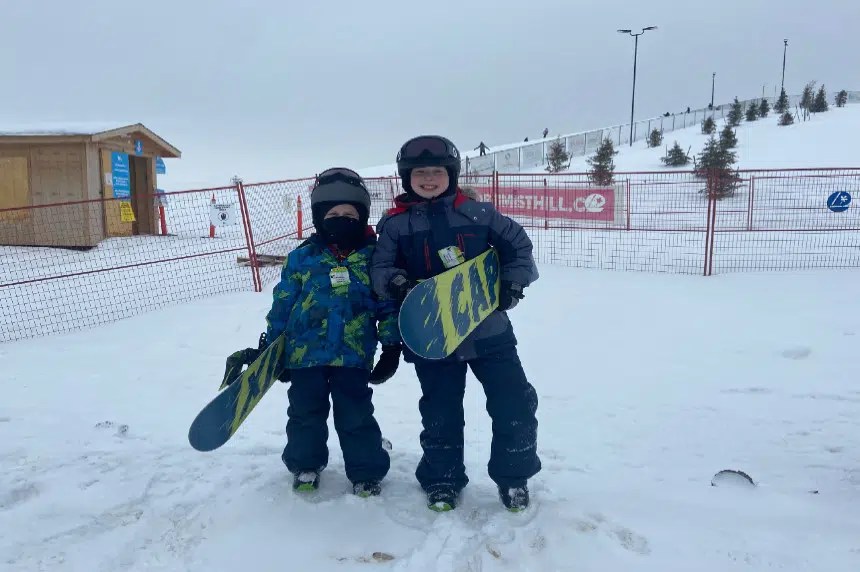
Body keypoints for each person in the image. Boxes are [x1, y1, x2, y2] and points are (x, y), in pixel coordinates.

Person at [370, 135, 541, 512]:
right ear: (406, 178)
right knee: (440, 412)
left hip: (489, 331)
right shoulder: (396, 226)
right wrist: (396, 282)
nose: (428, 180)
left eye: (436, 172)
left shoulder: (479, 214)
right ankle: (442, 479)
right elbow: (379, 268)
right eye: (419, 173)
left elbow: (519, 247)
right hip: (433, 336)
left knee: (515, 403)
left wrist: (512, 283)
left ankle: (514, 478)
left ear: (450, 174)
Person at [230, 167, 401, 497]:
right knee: (305, 413)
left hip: (353, 355)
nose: (341, 219)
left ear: (362, 216)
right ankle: (304, 465)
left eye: (349, 215)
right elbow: (283, 302)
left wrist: (391, 345)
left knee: (356, 415)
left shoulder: (374, 258)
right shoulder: (302, 257)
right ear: (319, 217)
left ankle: (367, 471)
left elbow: (386, 305)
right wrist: (273, 345)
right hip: (303, 354)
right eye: (333, 214)